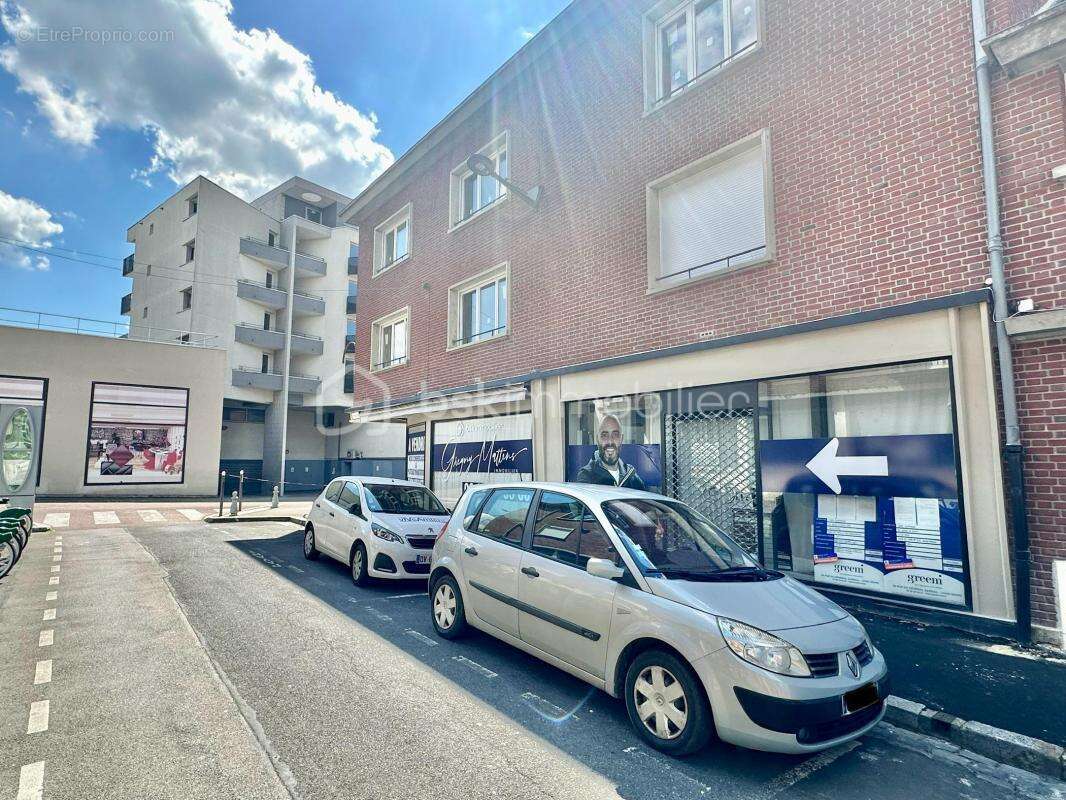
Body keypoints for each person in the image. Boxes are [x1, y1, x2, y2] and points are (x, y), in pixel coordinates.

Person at [574, 413, 647, 490]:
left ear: (621, 439)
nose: (610, 441)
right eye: (604, 435)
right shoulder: (587, 477)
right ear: (597, 439)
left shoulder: (632, 476)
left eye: (615, 435)